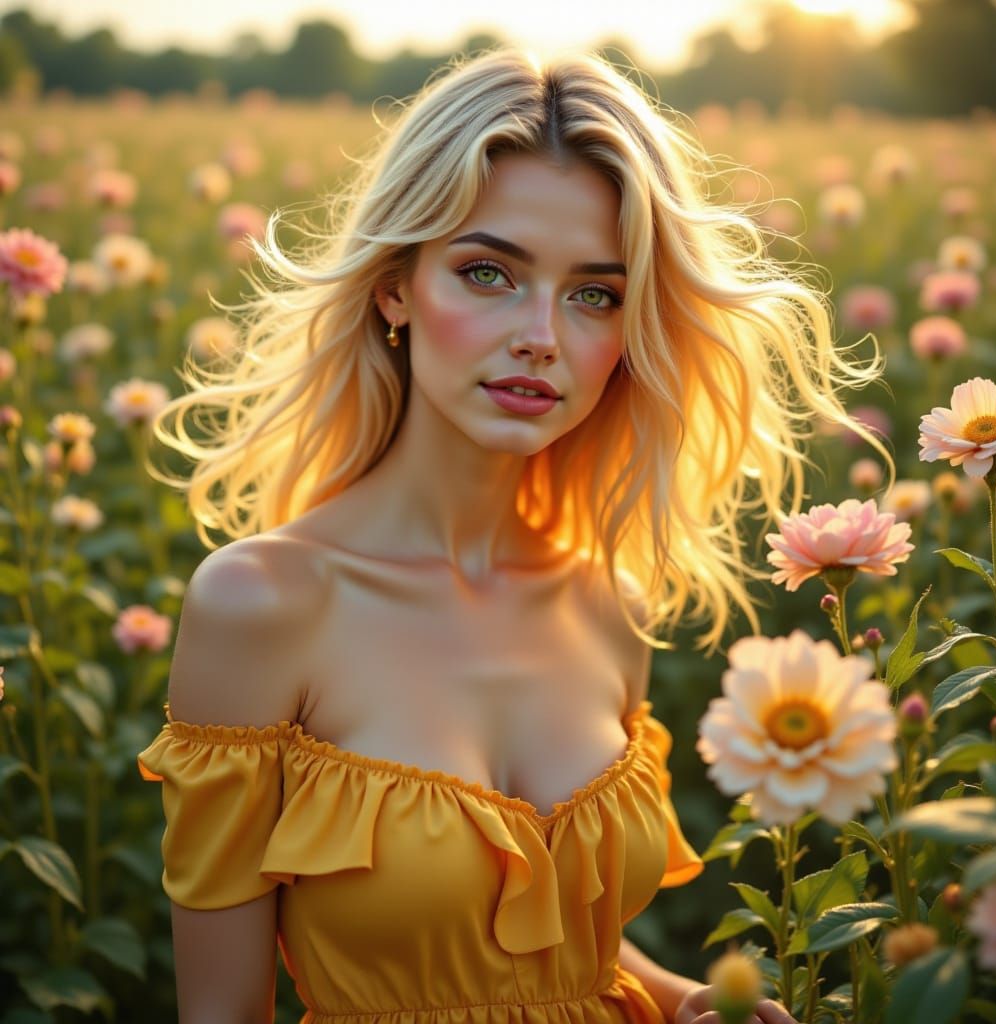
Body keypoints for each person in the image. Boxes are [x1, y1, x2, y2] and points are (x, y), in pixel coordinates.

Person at [139, 48, 888, 1024]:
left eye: (594, 294)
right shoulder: (263, 604)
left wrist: (686, 997)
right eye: (488, 273)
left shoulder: (606, 605)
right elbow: (223, 1012)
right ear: (394, 286)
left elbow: (547, 951)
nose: (541, 332)